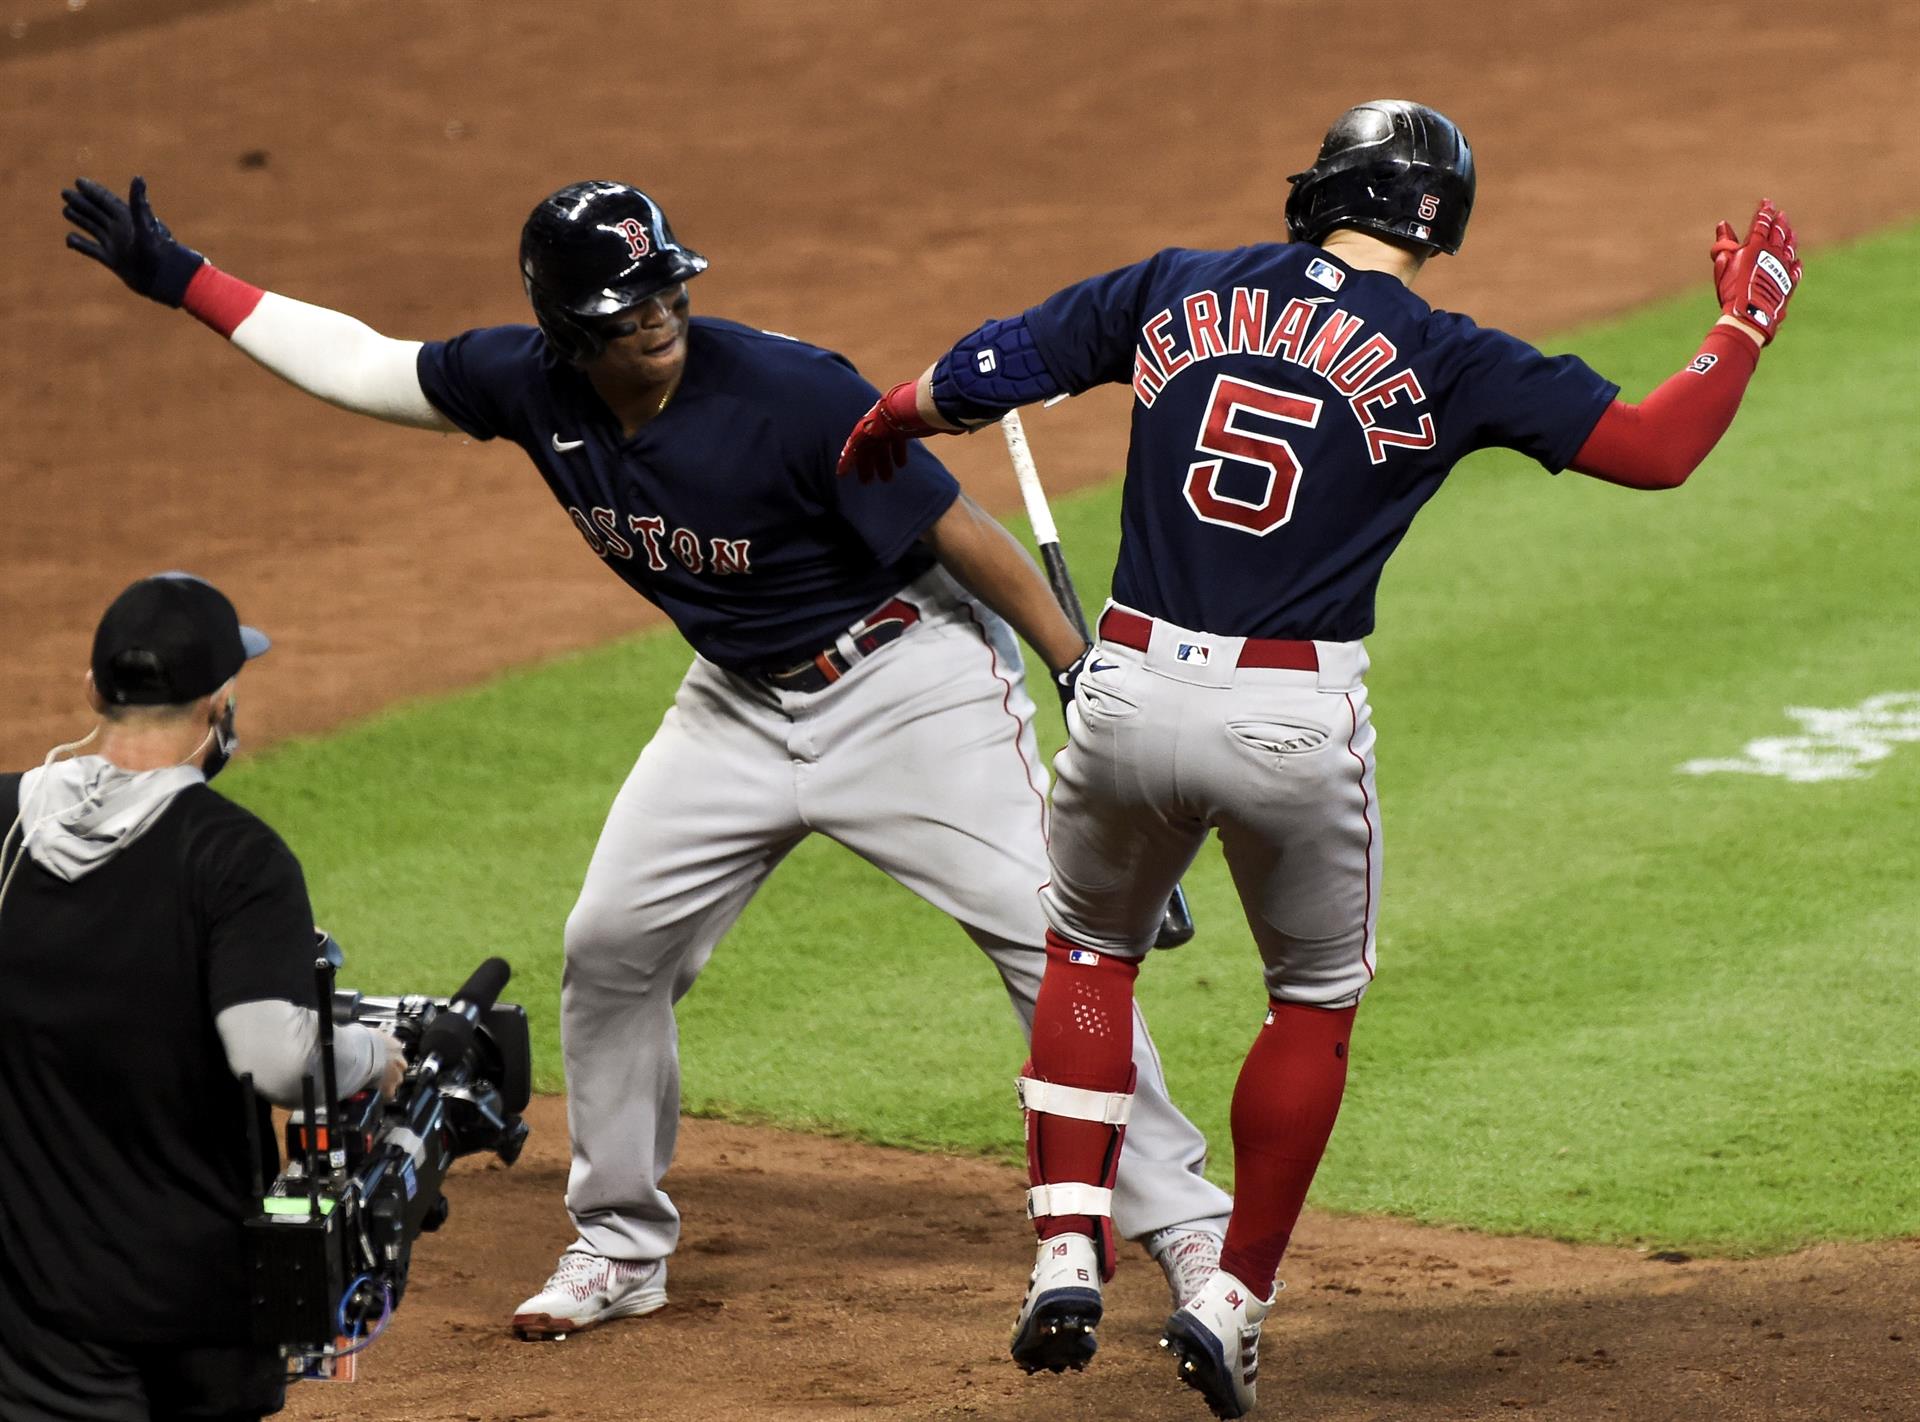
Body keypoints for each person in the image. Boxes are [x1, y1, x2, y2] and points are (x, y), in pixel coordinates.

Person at [60, 176, 1235, 1340]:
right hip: (732, 702)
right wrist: (182, 280)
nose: (659, 320)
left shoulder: (792, 396)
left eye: (667, 290)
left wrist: (1079, 666)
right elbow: (363, 364)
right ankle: (621, 1243)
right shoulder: (525, 385)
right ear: (569, 330)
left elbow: (956, 527)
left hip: (904, 684)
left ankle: (1181, 1220)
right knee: (611, 947)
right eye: (628, 310)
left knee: (1050, 941)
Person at [840, 99, 1801, 1417]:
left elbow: (984, 373)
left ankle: (1069, 1240)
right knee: (1309, 1002)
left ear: (1322, 190)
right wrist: (1742, 323)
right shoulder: (1452, 355)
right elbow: (1657, 447)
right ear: (1442, 222)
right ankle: (1232, 1293)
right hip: (1292, 721)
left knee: (1086, 952)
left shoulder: (1178, 286)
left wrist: (895, 413)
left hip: (1124, 688)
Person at [0, 572, 406, 1422]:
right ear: (219, 704)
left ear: (92, 690)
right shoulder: (235, 857)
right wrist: (374, 1051)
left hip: (35, 1308)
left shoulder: (4, 825)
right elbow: (274, 1056)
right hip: (197, 1302)